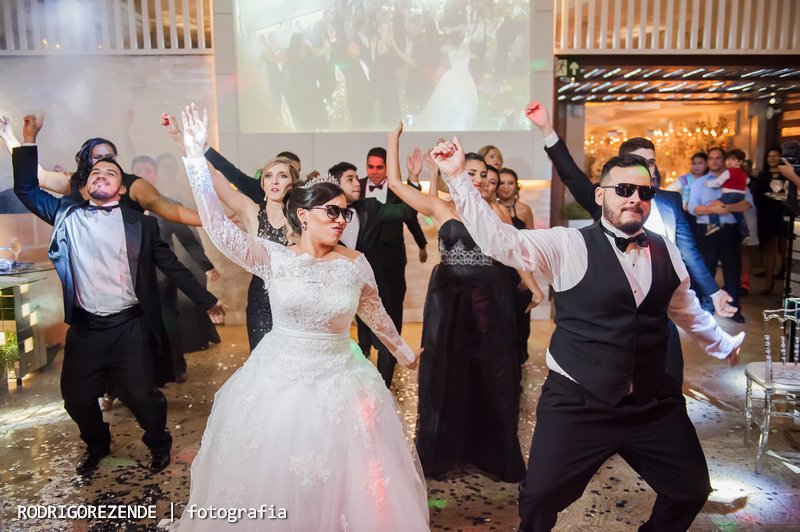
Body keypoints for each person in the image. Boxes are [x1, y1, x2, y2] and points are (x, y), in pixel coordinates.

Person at [430, 132, 744, 532]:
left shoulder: (667, 250)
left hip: (651, 402)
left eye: (645, 192)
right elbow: (500, 241)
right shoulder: (568, 244)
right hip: (579, 401)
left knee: (691, 489)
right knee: (540, 496)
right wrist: (457, 177)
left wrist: (721, 344)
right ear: (600, 196)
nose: (635, 199)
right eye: (624, 189)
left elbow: (686, 310)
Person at [175, 104, 428, 530]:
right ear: (303, 215)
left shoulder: (356, 263)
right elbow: (218, 228)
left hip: (342, 382)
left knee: (350, 481)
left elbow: (375, 314)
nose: (341, 219)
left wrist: (404, 353)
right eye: (332, 211)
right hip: (279, 380)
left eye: (345, 212)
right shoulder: (273, 259)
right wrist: (195, 158)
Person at [12, 113, 224, 475]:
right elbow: (27, 190)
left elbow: (170, 264)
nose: (101, 176)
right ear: (86, 184)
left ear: (123, 188)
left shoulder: (139, 224)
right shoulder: (65, 214)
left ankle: (158, 444)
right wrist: (27, 139)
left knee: (143, 396)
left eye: (110, 173)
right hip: (86, 329)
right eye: (95, 172)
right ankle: (97, 444)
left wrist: (207, 301)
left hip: (130, 326)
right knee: (76, 399)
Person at [526, 100, 738, 380]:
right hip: (618, 316)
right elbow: (570, 173)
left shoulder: (670, 201)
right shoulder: (608, 201)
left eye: (651, 161)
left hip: (664, 309)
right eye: (640, 161)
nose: (647, 167)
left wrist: (714, 291)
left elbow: (689, 252)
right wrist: (547, 130)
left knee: (669, 377)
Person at [386, 123, 526, 482]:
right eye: (471, 172)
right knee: (447, 370)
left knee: (490, 372)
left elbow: (517, 254)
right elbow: (397, 186)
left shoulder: (497, 213)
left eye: (483, 175)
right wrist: (392, 139)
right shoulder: (440, 205)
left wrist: (533, 287)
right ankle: (446, 448)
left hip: (489, 297)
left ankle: (488, 450)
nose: (477, 179)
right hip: (448, 300)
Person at [0, 115, 202, 226]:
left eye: (110, 158)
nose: (105, 163)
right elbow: (37, 177)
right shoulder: (77, 181)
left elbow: (167, 209)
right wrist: (10, 137)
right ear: (87, 161)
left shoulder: (134, 185)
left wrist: (213, 224)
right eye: (98, 158)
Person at [358, 146, 427, 387]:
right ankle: (363, 349)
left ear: (387, 168)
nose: (375, 172)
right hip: (363, 261)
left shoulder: (396, 190)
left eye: (380, 167)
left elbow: (410, 216)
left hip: (392, 260)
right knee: (363, 305)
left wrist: (422, 244)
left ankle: (392, 352)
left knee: (393, 304)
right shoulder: (356, 188)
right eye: (371, 167)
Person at [689, 147, 754, 323]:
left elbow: (747, 204)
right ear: (708, 161)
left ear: (724, 160)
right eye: (711, 158)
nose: (715, 161)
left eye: (718, 158)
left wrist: (728, 208)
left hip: (729, 230)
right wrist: (712, 209)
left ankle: (733, 309)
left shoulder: (737, 178)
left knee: (732, 271)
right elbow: (694, 208)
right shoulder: (699, 183)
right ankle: (706, 308)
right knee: (705, 270)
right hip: (707, 230)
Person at [704, 148, 749, 236]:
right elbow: (747, 181)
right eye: (727, 159)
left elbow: (718, 182)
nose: (728, 162)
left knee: (714, 205)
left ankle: (714, 224)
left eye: (733, 159)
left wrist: (708, 183)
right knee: (738, 214)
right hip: (741, 195)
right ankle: (745, 232)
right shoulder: (743, 173)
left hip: (730, 194)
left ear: (740, 162)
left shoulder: (728, 172)